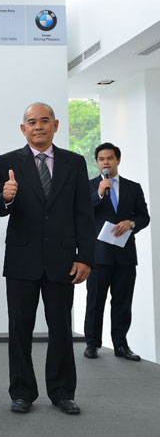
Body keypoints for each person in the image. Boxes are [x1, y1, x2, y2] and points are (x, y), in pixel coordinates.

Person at [0, 102, 95, 415]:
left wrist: (86, 257)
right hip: (22, 258)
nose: (38, 126)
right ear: (23, 129)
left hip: (63, 260)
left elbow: (84, 213)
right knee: (19, 328)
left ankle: (62, 392)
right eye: (32, 122)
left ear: (55, 125)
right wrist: (6, 197)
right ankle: (22, 392)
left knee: (61, 328)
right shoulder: (8, 161)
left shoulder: (74, 162)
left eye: (44, 121)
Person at [83, 142, 150, 361]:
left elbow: (144, 216)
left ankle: (121, 344)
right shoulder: (89, 187)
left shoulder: (133, 187)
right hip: (98, 254)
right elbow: (82, 213)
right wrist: (99, 194)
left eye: (110, 158)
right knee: (95, 301)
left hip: (125, 254)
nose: (106, 162)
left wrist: (131, 223)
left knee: (123, 301)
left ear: (118, 160)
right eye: (101, 159)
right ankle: (92, 344)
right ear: (97, 162)